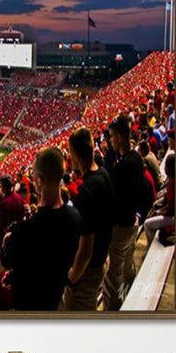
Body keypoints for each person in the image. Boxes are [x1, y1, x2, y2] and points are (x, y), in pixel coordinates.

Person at [0, 147, 82, 311]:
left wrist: (6, 241)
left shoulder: (24, 232)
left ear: (39, 180)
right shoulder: (74, 217)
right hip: (55, 301)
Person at [63, 127, 114, 312]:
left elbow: (85, 249)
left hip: (88, 271)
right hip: (102, 258)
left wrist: (72, 277)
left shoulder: (86, 192)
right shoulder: (104, 174)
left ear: (75, 155)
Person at [102, 114, 147, 310]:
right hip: (132, 222)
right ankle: (132, 300)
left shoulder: (122, 167)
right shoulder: (136, 158)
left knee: (112, 281)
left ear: (119, 137)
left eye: (111, 136)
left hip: (120, 228)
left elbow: (110, 197)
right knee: (128, 270)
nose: (110, 141)